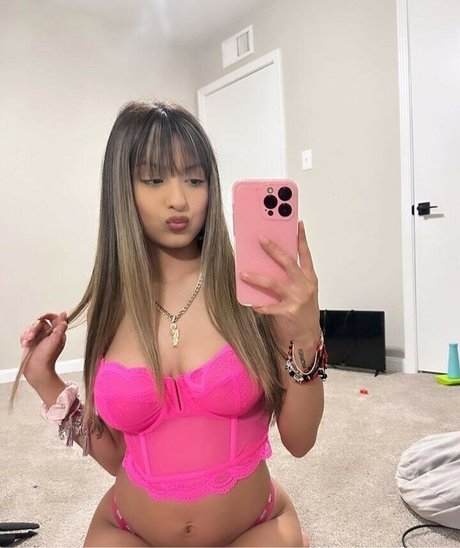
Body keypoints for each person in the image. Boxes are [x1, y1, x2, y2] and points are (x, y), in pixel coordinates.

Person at [13, 101, 326, 547]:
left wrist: (306, 334)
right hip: (128, 529)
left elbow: (301, 440)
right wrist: (44, 380)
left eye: (195, 180)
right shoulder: (112, 304)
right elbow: (115, 457)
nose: (179, 199)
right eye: (154, 179)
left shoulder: (250, 295)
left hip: (253, 527)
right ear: (122, 188)